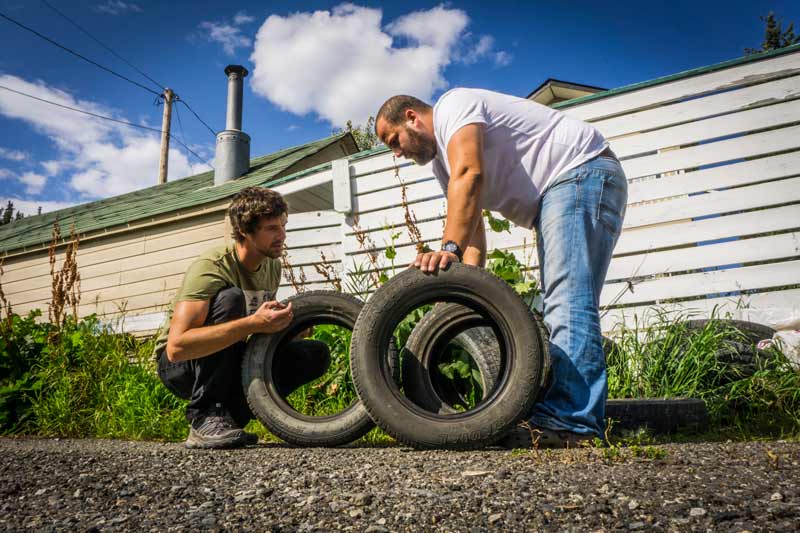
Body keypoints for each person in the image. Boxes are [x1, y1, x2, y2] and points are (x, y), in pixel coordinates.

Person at [375, 88, 628, 448]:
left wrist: (447, 249)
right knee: (560, 301)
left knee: (567, 300)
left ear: (412, 117)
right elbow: (472, 224)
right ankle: (566, 414)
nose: (397, 152)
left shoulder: (454, 106)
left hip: (579, 173)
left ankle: (573, 424)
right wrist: (463, 287)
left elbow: (471, 175)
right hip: (561, 191)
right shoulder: (441, 164)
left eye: (393, 140)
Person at [154, 187, 331, 449]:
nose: (282, 235)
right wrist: (253, 323)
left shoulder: (272, 265)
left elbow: (255, 332)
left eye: (283, 226)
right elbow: (177, 347)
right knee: (232, 299)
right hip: (180, 366)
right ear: (246, 231)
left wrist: (285, 327)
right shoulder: (212, 266)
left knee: (315, 353)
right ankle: (204, 415)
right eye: (272, 228)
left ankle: (229, 419)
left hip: (230, 355)